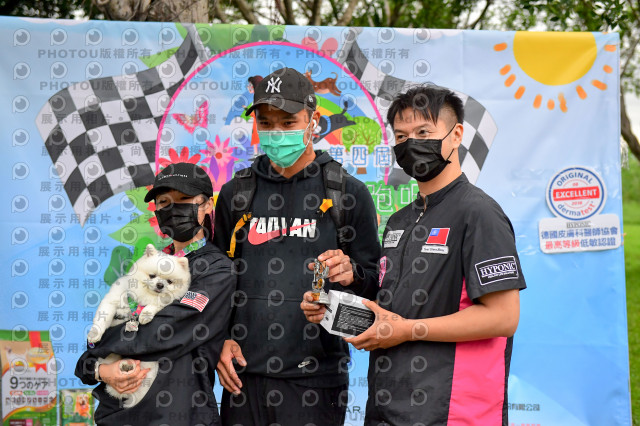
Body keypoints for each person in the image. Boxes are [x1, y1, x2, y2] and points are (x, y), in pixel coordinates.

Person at [302, 85, 527, 425]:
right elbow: (394, 313)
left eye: (423, 132)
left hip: (455, 411)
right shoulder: (399, 220)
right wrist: (335, 303)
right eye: (401, 136)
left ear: (456, 135)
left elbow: (503, 317)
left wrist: (408, 330)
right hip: (388, 407)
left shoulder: (479, 213)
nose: (411, 144)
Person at [213, 67, 381, 425]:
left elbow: (376, 287)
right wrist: (220, 342)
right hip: (242, 379)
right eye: (265, 122)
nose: (276, 132)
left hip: (317, 383)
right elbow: (216, 283)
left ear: (313, 121)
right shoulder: (235, 194)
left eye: (288, 122)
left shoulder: (347, 194)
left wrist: (351, 274)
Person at [75, 162, 237, 426]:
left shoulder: (216, 270)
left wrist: (92, 357)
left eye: (184, 199)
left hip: (179, 415)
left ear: (208, 205)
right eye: (164, 202)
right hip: (116, 415)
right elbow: (112, 321)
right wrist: (99, 369)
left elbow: (162, 332)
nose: (173, 208)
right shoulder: (148, 266)